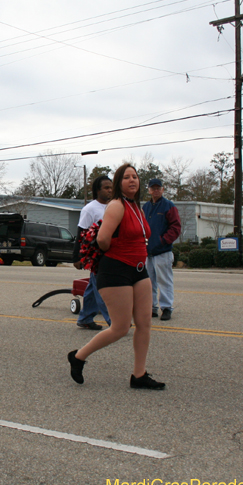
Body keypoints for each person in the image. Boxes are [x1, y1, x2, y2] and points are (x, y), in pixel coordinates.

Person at [67, 164, 166, 390]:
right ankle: (78, 357)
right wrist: (120, 251)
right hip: (116, 270)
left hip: (139, 270)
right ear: (119, 183)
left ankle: (138, 375)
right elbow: (103, 239)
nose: (132, 180)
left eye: (135, 177)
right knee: (121, 328)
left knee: (144, 324)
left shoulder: (137, 209)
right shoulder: (117, 206)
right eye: (126, 177)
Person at [72, 175, 113, 330]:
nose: (110, 190)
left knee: (93, 287)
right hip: (96, 255)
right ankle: (114, 321)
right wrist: (77, 257)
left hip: (111, 253)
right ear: (97, 190)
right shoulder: (89, 209)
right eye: (106, 188)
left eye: (111, 187)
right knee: (103, 288)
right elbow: (81, 232)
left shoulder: (113, 206)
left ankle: (85, 318)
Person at [142, 178, 181, 321]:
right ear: (149, 190)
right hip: (147, 252)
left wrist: (162, 241)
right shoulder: (145, 207)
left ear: (163, 189)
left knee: (164, 281)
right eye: (153, 188)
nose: (156, 190)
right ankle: (152, 307)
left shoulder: (168, 206)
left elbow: (175, 228)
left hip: (163, 252)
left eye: (158, 188)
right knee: (148, 281)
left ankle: (166, 308)